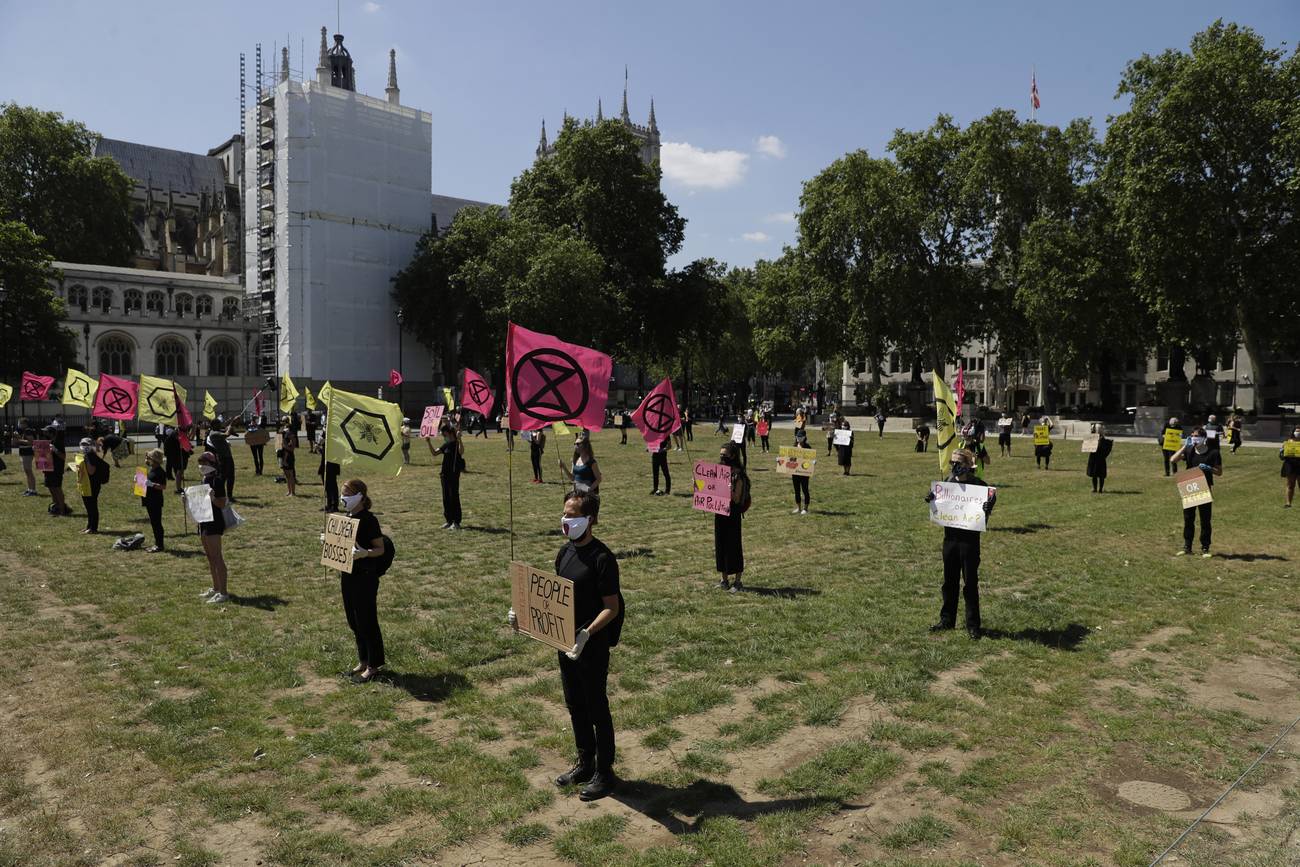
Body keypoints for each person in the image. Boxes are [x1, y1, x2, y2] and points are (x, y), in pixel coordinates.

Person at [510, 490, 622, 801]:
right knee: (575, 703)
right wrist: (523, 614)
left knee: (597, 704)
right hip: (564, 642)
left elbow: (611, 607)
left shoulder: (603, 558)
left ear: (591, 520)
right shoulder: (564, 554)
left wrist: (587, 633)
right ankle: (585, 761)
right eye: (565, 514)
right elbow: (554, 599)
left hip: (591, 644)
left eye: (573, 515)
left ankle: (605, 771)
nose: (566, 520)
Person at [924, 449, 995, 639]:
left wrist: (989, 506)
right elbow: (939, 504)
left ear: (967, 465)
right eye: (952, 462)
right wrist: (932, 499)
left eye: (958, 462)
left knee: (970, 583)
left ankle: (973, 625)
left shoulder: (979, 486)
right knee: (949, 582)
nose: (954, 466)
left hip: (969, 542)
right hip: (950, 540)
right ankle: (947, 620)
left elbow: (988, 504)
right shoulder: (946, 484)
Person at [338, 478, 387, 683]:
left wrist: (364, 553)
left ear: (360, 496)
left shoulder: (369, 520)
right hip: (348, 575)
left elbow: (380, 549)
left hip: (365, 577)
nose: (344, 498)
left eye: (348, 494)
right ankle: (363, 660)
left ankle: (374, 665)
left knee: (366, 620)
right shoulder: (346, 517)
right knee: (354, 620)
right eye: (343, 493)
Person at [1170, 428, 1221, 557]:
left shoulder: (1213, 453)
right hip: (1189, 484)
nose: (1194, 438)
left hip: (1204, 485)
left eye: (1196, 436)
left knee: (1205, 518)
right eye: (1192, 436)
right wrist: (1184, 447)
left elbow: (1219, 472)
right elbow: (1173, 460)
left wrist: (1209, 468)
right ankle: (1187, 546)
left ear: (1204, 438)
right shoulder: (1189, 450)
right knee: (1188, 518)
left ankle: (1205, 547)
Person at [194, 452, 230, 603]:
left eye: (204, 463)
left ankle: (223, 592)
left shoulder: (217, 480)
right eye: (199, 462)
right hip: (203, 520)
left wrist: (213, 497)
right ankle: (215, 588)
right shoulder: (204, 479)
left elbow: (222, 503)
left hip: (214, 522)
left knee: (217, 557)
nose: (201, 465)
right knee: (210, 557)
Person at [714, 442, 750, 592]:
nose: (722, 457)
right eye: (721, 454)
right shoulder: (718, 471)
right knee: (720, 546)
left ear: (733, 456)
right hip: (720, 513)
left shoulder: (738, 475)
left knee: (733, 547)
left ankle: (737, 582)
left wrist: (728, 489)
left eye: (725, 455)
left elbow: (736, 499)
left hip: (732, 515)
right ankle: (724, 580)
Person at [430, 419, 464, 529]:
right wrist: (428, 442)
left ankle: (456, 522)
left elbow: (461, 451)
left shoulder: (456, 443)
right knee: (446, 498)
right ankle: (448, 520)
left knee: (453, 497)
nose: (443, 436)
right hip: (444, 475)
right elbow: (434, 453)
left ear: (449, 433)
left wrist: (460, 440)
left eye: (444, 434)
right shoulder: (446, 445)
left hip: (454, 474)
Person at [77, 437, 110, 534]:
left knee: (92, 506)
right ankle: (89, 526)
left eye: (86, 445)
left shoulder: (90, 456)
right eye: (83, 444)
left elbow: (91, 471)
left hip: (92, 485)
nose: (84, 447)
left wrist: (85, 460)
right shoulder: (87, 455)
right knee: (88, 506)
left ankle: (93, 528)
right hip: (86, 484)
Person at [141, 448, 168, 553]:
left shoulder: (160, 472)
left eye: (148, 458)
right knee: (153, 522)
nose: (147, 459)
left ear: (154, 460)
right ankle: (157, 543)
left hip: (155, 501)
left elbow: (163, 486)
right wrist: (139, 480)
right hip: (149, 499)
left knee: (156, 523)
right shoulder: (152, 469)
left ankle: (159, 545)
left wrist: (152, 485)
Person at [44, 423, 70, 517]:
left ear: (51, 433)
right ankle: (56, 506)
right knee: (51, 487)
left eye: (46, 432)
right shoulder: (49, 441)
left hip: (56, 470)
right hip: (48, 469)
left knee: (57, 488)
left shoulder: (58, 442)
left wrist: (54, 449)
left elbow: (63, 457)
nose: (45, 433)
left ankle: (62, 510)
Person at [206, 426, 236, 501]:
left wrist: (232, 424)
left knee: (231, 477)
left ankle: (229, 495)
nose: (220, 426)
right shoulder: (213, 434)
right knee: (224, 478)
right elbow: (227, 434)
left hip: (228, 457)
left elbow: (225, 429)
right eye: (219, 424)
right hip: (223, 458)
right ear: (215, 425)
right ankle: (221, 494)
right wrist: (231, 426)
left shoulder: (217, 432)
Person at [1086, 423, 1114, 493]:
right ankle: (1095, 488)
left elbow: (1105, 449)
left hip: (1100, 459)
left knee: (1101, 475)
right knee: (1094, 474)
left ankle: (1100, 489)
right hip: (1094, 458)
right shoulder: (1092, 438)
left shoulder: (1103, 440)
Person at [791, 432, 811, 516]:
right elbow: (790, 459)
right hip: (795, 472)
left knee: (805, 490)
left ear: (804, 437)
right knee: (797, 490)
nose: (798, 438)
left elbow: (810, 459)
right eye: (797, 436)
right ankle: (798, 508)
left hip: (804, 472)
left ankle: (805, 508)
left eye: (800, 436)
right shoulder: (794, 446)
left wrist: (812, 462)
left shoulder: (808, 447)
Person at [16, 419, 37, 496]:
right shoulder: (24, 431)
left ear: (25, 424)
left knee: (29, 471)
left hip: (27, 453)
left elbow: (31, 442)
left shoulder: (28, 430)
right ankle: (29, 488)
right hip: (24, 452)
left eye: (20, 423)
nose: (19, 425)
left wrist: (19, 440)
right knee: (27, 471)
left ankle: (33, 490)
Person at [1280, 426, 1300, 508]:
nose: (1298, 433)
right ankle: (1288, 503)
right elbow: (1281, 456)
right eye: (1297, 431)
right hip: (1290, 465)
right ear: (1293, 432)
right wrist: (1283, 451)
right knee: (1290, 485)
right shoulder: (1287, 442)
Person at [280, 424, 298, 496]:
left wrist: (285, 446)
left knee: (291, 475)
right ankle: (289, 491)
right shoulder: (285, 437)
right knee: (287, 475)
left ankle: (293, 492)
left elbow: (291, 449)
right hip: (283, 456)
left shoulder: (292, 437)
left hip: (289, 458)